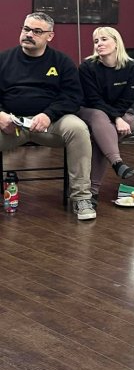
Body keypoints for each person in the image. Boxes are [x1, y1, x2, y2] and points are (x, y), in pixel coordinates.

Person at [0, 12, 95, 219]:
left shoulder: (62, 62)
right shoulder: (3, 59)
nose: (29, 34)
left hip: (51, 124)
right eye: (26, 29)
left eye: (37, 31)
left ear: (49, 36)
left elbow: (73, 97)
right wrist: (0, 115)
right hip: (11, 125)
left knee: (78, 129)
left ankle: (81, 198)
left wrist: (48, 114)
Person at [79, 27, 134, 201]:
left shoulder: (132, 68)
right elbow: (94, 99)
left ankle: (92, 192)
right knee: (100, 117)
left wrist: (118, 117)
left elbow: (128, 100)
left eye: (104, 39)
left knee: (104, 134)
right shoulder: (87, 67)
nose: (99, 44)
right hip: (90, 111)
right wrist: (116, 118)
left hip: (122, 113)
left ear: (116, 42)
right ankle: (117, 162)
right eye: (96, 41)